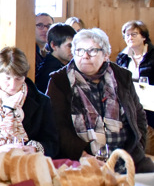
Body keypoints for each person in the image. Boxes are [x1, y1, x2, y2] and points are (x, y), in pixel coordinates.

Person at [47, 29, 154, 173]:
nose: (85, 56)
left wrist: (135, 148)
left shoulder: (122, 76)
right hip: (81, 161)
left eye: (92, 51)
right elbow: (57, 126)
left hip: (127, 158)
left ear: (105, 55)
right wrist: (83, 156)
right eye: (79, 50)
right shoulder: (60, 81)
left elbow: (138, 116)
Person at [0, 47, 59, 161]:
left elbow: (52, 143)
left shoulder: (42, 101)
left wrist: (34, 149)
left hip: (29, 164)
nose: (13, 85)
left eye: (18, 78)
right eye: (7, 78)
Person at [116, 20, 154, 149]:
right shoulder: (122, 57)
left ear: (143, 36)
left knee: (149, 140)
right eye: (127, 35)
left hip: (151, 105)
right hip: (130, 103)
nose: (130, 38)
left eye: (134, 34)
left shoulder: (152, 56)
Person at [35, 23, 76, 93]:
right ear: (53, 45)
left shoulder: (68, 64)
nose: (73, 50)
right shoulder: (49, 73)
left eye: (75, 45)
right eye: (69, 46)